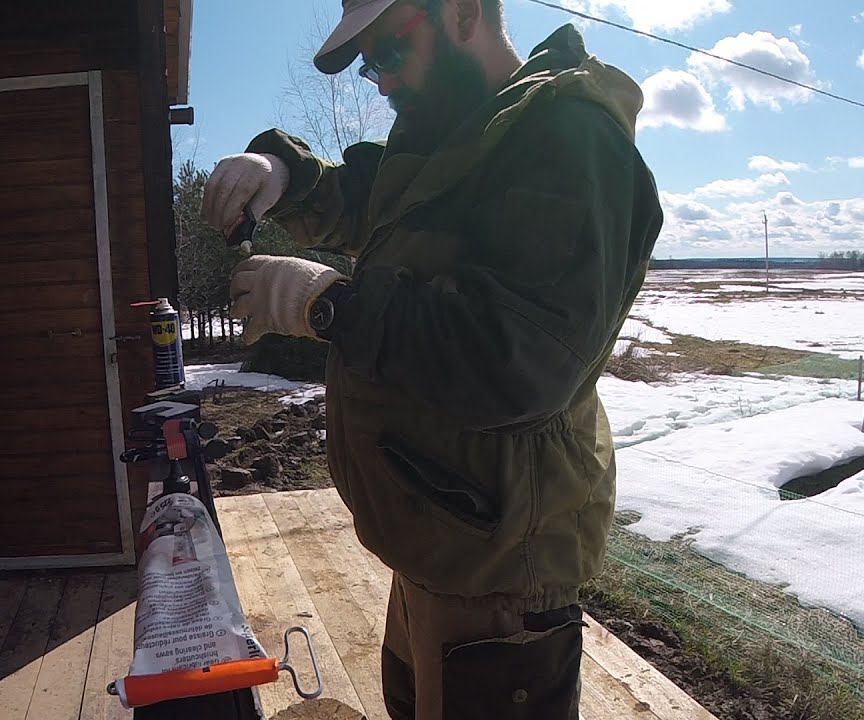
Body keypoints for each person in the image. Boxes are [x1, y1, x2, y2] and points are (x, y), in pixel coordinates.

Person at [199, 0, 663, 717]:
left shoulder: (570, 140)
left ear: (464, 12)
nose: (381, 81)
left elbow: (519, 363)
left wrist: (329, 305)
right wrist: (282, 173)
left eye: (388, 52)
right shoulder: (452, 130)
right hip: (438, 532)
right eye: (368, 67)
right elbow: (369, 200)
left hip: (497, 566)